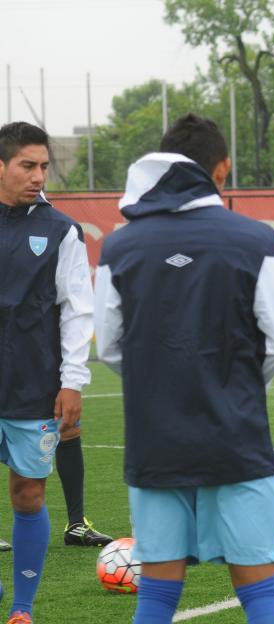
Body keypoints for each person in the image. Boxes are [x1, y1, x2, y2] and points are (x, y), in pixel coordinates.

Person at [94, 114, 274, 624]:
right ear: (223, 168)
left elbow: (110, 348)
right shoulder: (258, 241)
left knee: (157, 598)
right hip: (237, 439)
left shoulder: (119, 246)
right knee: (259, 594)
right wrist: (234, 387)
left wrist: (161, 383)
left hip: (155, 441)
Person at [0, 121, 97, 623]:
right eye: (27, 166)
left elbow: (79, 309)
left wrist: (72, 380)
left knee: (29, 492)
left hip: (33, 384)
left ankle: (21, 609)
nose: (38, 176)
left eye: (43, 166)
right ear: (1, 166)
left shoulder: (61, 230)